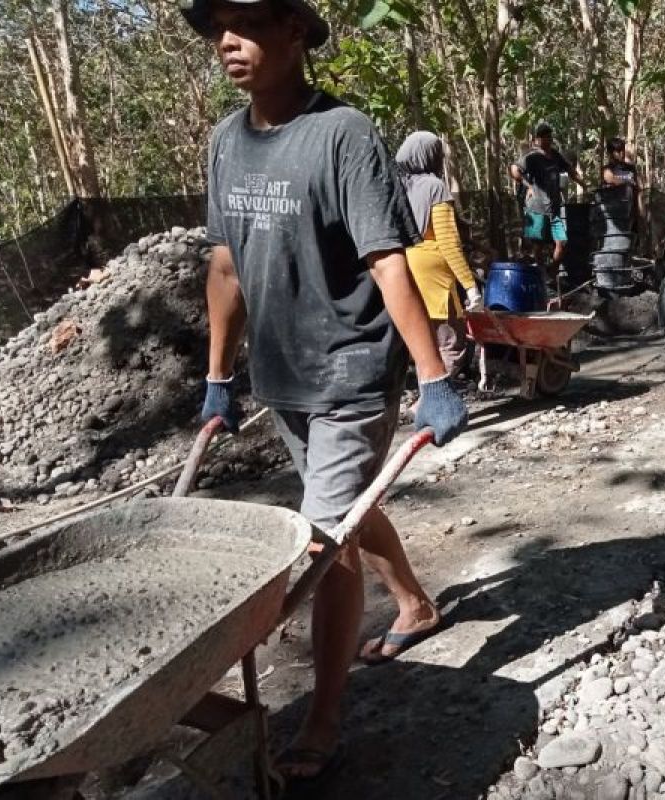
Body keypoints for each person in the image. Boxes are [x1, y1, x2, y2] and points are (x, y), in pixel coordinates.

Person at [181, 0, 467, 790]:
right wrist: (217, 376)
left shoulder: (342, 133)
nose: (226, 43)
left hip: (350, 368)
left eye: (244, 25)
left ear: (295, 33)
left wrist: (434, 380)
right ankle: (413, 603)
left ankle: (323, 717)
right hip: (284, 374)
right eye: (216, 30)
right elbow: (227, 268)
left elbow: (387, 261)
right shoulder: (224, 143)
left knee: (321, 542)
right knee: (341, 509)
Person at [396, 131, 481, 378]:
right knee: (449, 341)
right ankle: (435, 400)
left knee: (422, 341)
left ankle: (424, 395)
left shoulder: (398, 187)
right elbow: (448, 241)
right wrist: (470, 286)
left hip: (407, 267)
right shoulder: (435, 187)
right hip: (435, 275)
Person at [509, 122, 585, 280]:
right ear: (536, 140)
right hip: (537, 207)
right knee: (539, 245)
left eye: (548, 136)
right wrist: (527, 185)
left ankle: (552, 273)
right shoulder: (531, 156)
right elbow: (514, 170)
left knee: (561, 242)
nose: (546, 140)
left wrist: (583, 183)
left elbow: (570, 170)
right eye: (542, 137)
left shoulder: (556, 155)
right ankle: (541, 275)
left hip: (554, 209)